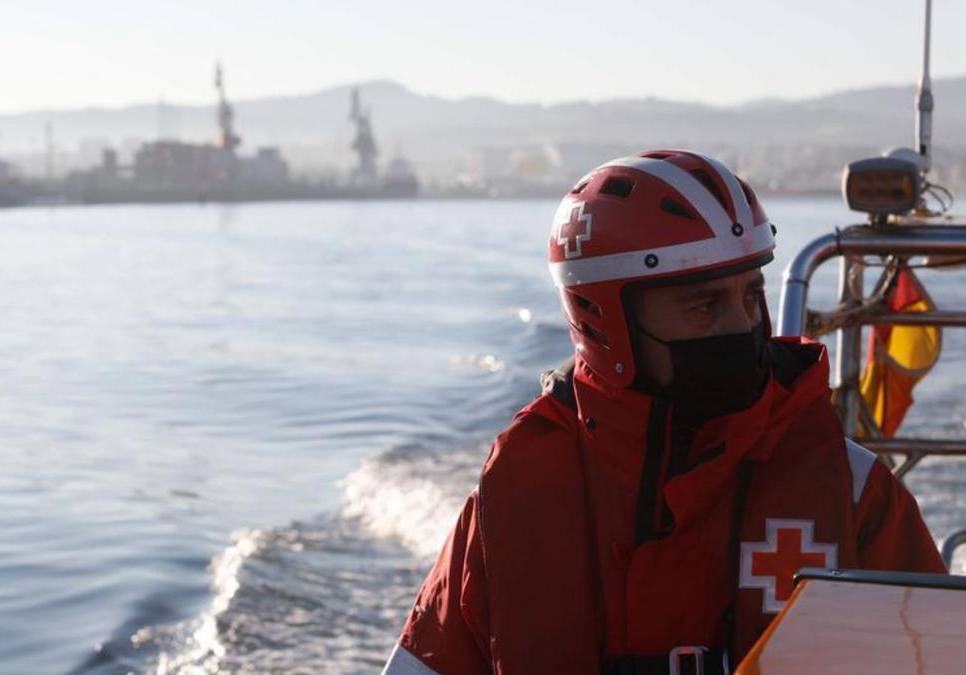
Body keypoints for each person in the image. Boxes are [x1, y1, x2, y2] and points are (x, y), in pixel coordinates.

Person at [381, 150, 946, 675]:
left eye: (750, 295)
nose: (741, 326)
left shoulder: (850, 491)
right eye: (704, 305)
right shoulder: (517, 493)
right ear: (605, 323)